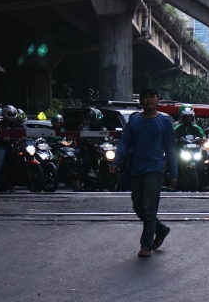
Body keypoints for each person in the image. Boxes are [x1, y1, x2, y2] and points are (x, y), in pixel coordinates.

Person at [109, 84, 177, 258]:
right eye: (145, 96)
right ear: (140, 101)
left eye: (152, 96)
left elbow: (170, 148)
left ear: (157, 100)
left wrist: (174, 173)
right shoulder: (134, 121)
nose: (149, 99)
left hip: (155, 169)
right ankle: (160, 229)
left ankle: (145, 245)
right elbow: (125, 143)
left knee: (149, 208)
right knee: (138, 207)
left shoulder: (164, 122)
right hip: (136, 169)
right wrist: (116, 162)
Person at [0, 105, 25, 192]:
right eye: (10, 115)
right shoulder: (0, 123)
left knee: (15, 163)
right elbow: (0, 131)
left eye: (13, 114)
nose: (12, 117)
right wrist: (4, 137)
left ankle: (12, 185)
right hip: (2, 145)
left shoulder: (17, 123)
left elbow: (24, 130)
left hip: (13, 145)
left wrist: (25, 136)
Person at [75, 108, 108, 192]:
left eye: (99, 119)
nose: (97, 121)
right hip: (90, 149)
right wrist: (85, 144)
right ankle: (78, 183)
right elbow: (81, 138)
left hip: (100, 149)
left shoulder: (103, 129)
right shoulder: (86, 128)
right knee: (85, 163)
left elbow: (108, 137)